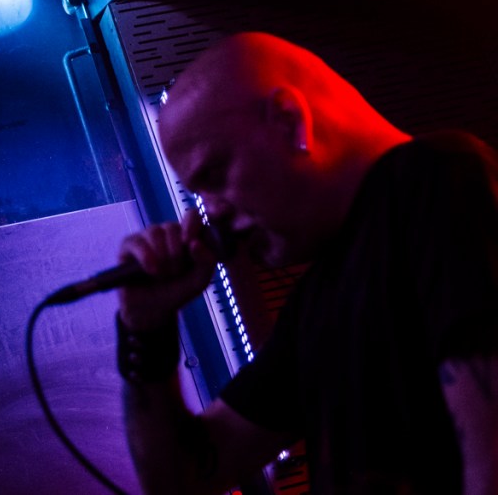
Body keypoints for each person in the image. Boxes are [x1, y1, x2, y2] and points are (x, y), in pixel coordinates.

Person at [115, 32, 498, 494]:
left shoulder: (439, 179)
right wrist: (146, 331)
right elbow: (183, 479)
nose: (209, 213)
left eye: (214, 175)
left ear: (290, 121)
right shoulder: (317, 301)